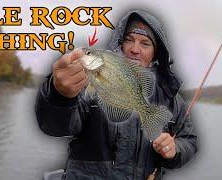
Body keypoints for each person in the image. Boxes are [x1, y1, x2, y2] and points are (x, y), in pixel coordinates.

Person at [35, 9, 197, 180]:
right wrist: (60, 95)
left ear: (155, 53)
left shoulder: (171, 99)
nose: (135, 49)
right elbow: (55, 127)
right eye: (129, 40)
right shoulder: (85, 83)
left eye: (145, 43)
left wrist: (174, 150)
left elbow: (189, 140)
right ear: (120, 43)